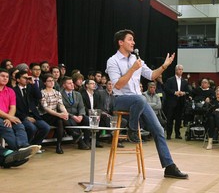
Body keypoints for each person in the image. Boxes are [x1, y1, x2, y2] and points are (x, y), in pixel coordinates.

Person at [106, 29, 188, 179]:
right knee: (140, 98)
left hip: (138, 100)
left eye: (133, 40)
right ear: (121, 42)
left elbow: (151, 75)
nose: (133, 42)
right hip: (121, 100)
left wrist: (164, 66)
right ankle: (132, 128)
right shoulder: (113, 61)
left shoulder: (137, 59)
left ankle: (169, 167)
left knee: (158, 130)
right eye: (130, 39)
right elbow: (117, 85)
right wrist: (132, 69)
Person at [13, 71, 50, 149]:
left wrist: (33, 83)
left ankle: (33, 145)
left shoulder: (31, 87)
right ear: (18, 79)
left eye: (28, 77)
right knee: (32, 128)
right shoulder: (13, 90)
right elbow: (14, 108)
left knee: (46, 127)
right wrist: (25, 117)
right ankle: (26, 146)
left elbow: (39, 96)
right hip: (21, 116)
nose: (27, 79)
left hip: (34, 115)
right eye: (24, 78)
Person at [0, 68, 30, 150]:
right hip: (2, 117)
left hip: (8, 116)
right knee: (7, 128)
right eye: (2, 76)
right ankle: (18, 150)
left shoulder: (10, 91)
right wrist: (9, 117)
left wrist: (9, 118)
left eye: (7, 76)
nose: (5, 78)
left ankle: (23, 147)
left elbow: (13, 107)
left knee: (19, 125)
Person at [39, 73, 69, 154]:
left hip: (55, 115)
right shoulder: (42, 93)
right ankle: (72, 133)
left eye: (52, 81)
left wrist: (65, 112)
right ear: (45, 83)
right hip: (45, 115)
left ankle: (58, 145)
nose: (52, 82)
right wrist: (60, 114)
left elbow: (60, 104)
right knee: (60, 119)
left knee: (60, 120)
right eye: (49, 81)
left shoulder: (57, 92)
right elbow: (45, 108)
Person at [60, 76, 90, 150]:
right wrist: (72, 116)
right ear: (64, 85)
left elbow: (81, 107)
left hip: (78, 115)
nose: (72, 84)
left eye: (72, 83)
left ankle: (87, 141)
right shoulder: (59, 94)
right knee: (70, 121)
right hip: (68, 116)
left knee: (87, 119)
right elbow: (60, 108)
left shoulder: (77, 94)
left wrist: (81, 115)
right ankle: (80, 142)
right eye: (69, 83)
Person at [164, 64, 189, 139]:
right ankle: (169, 134)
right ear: (176, 70)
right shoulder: (170, 80)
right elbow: (166, 89)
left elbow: (188, 91)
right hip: (171, 102)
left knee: (178, 119)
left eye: (182, 69)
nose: (181, 71)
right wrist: (175, 92)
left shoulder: (184, 81)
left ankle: (177, 134)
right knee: (170, 119)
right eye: (179, 69)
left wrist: (183, 93)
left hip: (180, 102)